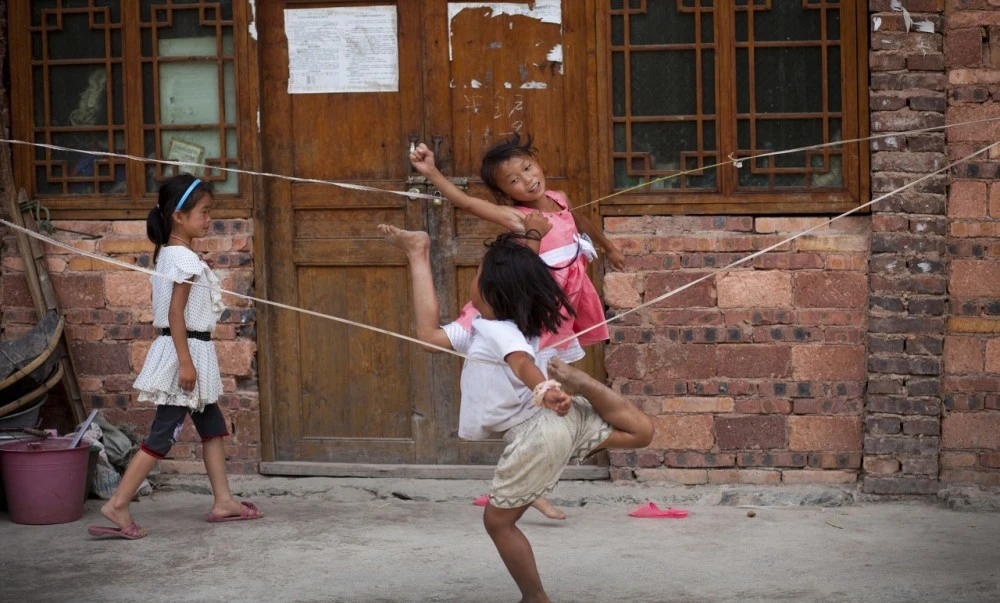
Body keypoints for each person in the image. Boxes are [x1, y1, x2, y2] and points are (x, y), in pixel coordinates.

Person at [379, 224, 654, 603]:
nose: (472, 282)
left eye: (477, 275)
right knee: (640, 433)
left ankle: (534, 597)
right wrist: (416, 254)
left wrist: (543, 388)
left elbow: (521, 362)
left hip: (537, 432)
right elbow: (428, 336)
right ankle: (584, 384)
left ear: (492, 292)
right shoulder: (506, 323)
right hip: (558, 422)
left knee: (498, 523)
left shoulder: (496, 330)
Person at [87, 174, 262, 540]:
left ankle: (223, 500)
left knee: (212, 428)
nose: (209, 218)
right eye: (204, 211)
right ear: (178, 216)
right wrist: (185, 362)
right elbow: (175, 314)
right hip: (184, 354)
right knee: (162, 435)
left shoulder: (173, 254)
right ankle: (118, 503)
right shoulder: (181, 258)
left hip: (191, 350)